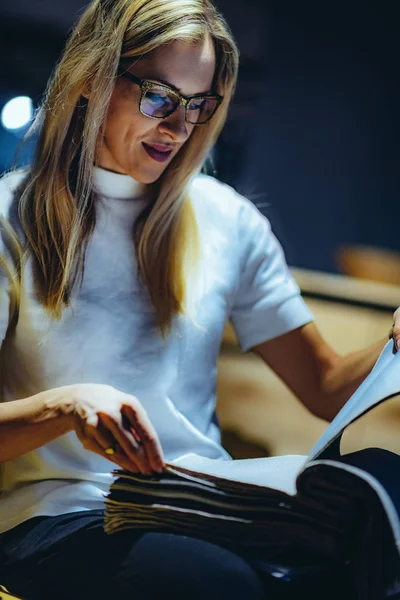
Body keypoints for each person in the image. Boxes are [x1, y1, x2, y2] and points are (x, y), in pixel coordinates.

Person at [0, 1, 399, 598]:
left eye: (198, 105)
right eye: (160, 96)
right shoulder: (12, 218)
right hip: (56, 517)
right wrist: (65, 406)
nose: (178, 127)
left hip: (198, 506)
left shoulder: (226, 222)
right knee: (219, 585)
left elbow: (323, 385)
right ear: (91, 78)